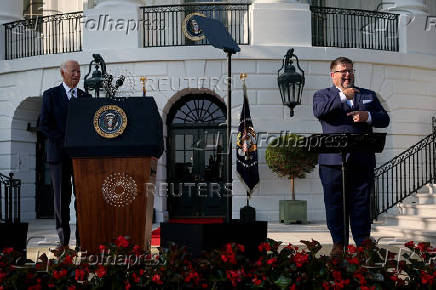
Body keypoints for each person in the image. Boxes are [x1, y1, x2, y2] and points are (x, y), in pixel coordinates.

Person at [312, 57, 390, 257]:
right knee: (334, 204)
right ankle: (338, 243)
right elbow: (320, 112)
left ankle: (363, 244)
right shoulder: (322, 95)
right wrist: (341, 97)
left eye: (350, 70)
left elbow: (384, 119)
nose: (348, 74)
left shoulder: (368, 95)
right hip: (331, 162)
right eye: (343, 71)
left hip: (361, 160)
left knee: (361, 204)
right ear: (333, 75)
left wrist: (368, 116)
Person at [39, 60, 92, 250]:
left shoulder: (86, 97)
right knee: (61, 201)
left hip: (81, 158)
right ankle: (63, 243)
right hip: (58, 156)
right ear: (63, 73)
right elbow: (44, 124)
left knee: (83, 199)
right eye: (73, 71)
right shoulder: (51, 95)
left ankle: (82, 241)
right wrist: (64, 141)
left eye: (79, 71)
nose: (77, 74)